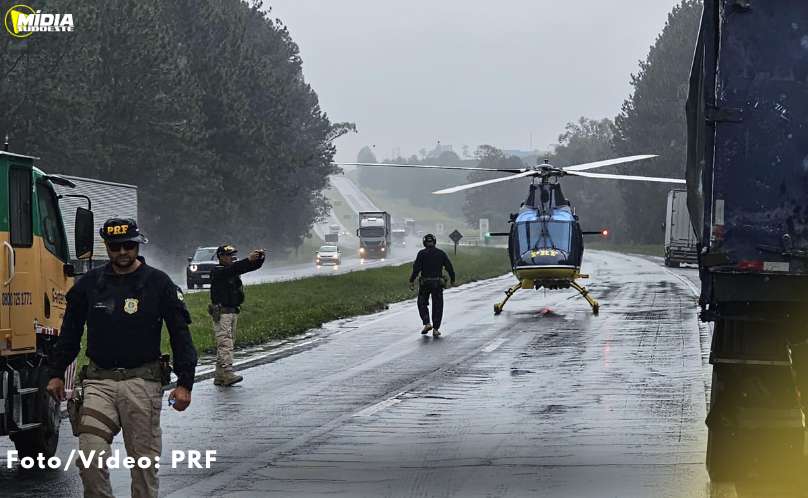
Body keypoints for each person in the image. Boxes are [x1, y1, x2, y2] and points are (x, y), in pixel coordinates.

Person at [46, 218, 198, 498]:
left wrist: (185, 382)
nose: (123, 252)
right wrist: (56, 373)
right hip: (98, 383)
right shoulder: (89, 285)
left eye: (129, 245)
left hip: (142, 383)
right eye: (116, 246)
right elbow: (70, 333)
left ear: (138, 245)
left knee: (143, 464)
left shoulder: (158, 283)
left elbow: (180, 335)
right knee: (89, 459)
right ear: (107, 247)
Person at [209, 244, 265, 386]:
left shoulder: (232, 269)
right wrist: (247, 259)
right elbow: (235, 268)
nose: (232, 258)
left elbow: (247, 267)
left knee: (228, 343)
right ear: (221, 257)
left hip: (233, 311)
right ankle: (227, 373)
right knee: (225, 343)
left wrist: (259, 259)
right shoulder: (218, 271)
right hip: (222, 313)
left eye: (233, 255)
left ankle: (219, 375)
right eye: (229, 255)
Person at [408, 233, 456, 337]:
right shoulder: (441, 253)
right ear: (434, 242)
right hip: (438, 283)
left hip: (425, 283)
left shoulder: (421, 254)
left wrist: (411, 280)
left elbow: (416, 269)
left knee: (422, 303)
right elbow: (449, 267)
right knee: (438, 305)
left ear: (424, 243)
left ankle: (427, 323)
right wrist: (452, 279)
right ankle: (435, 329)